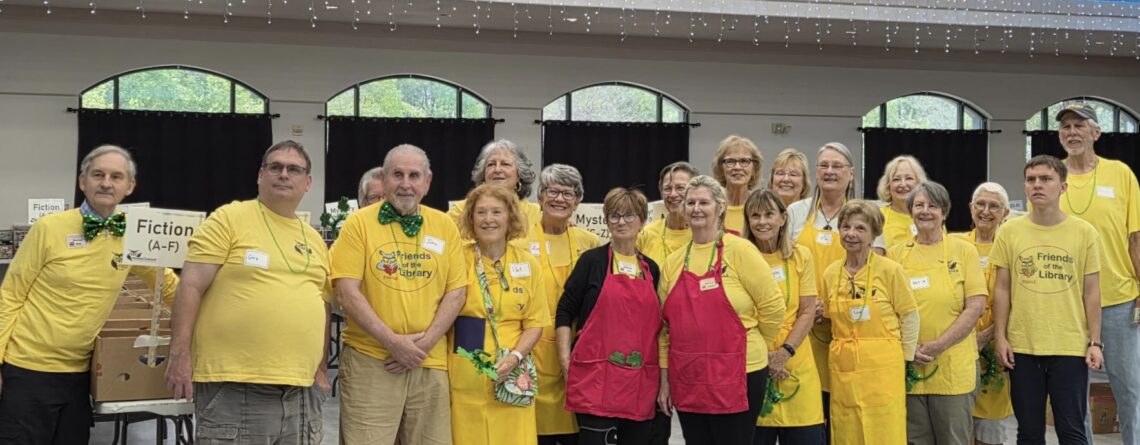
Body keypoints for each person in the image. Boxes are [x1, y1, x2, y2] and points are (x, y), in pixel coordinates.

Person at [0, 145, 176, 444]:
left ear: (129, 186)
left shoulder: (133, 235)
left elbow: (167, 285)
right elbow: (11, 295)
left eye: (116, 176)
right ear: (83, 181)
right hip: (28, 369)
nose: (106, 183)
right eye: (98, 175)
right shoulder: (49, 228)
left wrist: (210, 317)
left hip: (80, 373)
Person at [166, 140, 332, 443]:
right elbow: (190, 285)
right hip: (235, 387)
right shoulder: (229, 218)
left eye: (294, 169)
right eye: (275, 167)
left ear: (308, 182)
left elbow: (321, 304)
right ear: (260, 175)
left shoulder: (314, 239)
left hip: (301, 391)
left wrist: (321, 369)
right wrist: (179, 354)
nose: (284, 174)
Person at [331, 144, 467, 445]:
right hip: (371, 360)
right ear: (384, 178)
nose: (406, 184)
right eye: (397, 174)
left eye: (414, 175)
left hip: (429, 362)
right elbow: (346, 291)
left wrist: (423, 345)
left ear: (427, 182)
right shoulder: (358, 223)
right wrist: (393, 342)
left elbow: (457, 292)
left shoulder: (445, 225)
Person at [657, 175, 785, 444]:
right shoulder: (674, 262)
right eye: (691, 202)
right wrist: (665, 378)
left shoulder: (741, 250)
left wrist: (752, 341)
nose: (696, 208)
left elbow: (773, 306)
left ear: (720, 207)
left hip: (740, 371)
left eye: (704, 202)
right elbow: (665, 328)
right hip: (689, 375)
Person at [992, 155, 1104, 445]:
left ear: (1063, 187)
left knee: (1072, 431)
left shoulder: (1085, 232)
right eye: (1031, 180)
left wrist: (1095, 342)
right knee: (1029, 433)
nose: (1037, 185)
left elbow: (1092, 291)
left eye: (1046, 179)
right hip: (1022, 346)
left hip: (1069, 346)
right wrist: (1000, 337)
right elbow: (1002, 288)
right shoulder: (1009, 231)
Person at [1054, 102, 1140, 445]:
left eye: (1080, 125)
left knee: (1129, 388)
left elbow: (1135, 238)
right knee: (1074, 392)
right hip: (1067, 302)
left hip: (1118, 299)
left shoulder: (1120, 173)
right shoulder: (1052, 175)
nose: (1072, 132)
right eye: (1066, 127)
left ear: (1096, 132)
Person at [786, 142, 885, 438]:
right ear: (815, 172)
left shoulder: (866, 212)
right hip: (802, 327)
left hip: (848, 325)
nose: (830, 171)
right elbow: (785, 262)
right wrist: (807, 307)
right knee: (808, 412)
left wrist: (830, 306)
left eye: (837, 166)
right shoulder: (796, 212)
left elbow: (873, 268)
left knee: (844, 412)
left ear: (851, 173)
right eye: (824, 165)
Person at [557, 187, 664, 445]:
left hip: (638, 381)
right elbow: (565, 310)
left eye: (629, 215)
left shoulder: (652, 269)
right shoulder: (591, 261)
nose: (621, 222)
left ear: (642, 221)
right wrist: (565, 361)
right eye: (614, 216)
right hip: (595, 379)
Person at [449, 184, 549, 445]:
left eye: (496, 212)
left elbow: (535, 323)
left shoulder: (528, 263)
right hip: (466, 375)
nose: (488, 219)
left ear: (510, 217)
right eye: (481, 212)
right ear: (471, 218)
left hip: (511, 377)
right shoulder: (456, 259)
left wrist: (515, 357)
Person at [887, 181, 985, 445]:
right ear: (910, 211)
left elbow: (975, 306)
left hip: (953, 369)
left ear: (945, 212)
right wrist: (908, 348)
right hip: (910, 366)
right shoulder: (895, 255)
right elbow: (887, 310)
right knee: (914, 440)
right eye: (919, 205)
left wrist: (939, 344)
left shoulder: (964, 250)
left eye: (932, 206)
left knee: (954, 439)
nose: (925, 211)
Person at [822, 200, 919, 445]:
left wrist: (906, 359)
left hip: (883, 368)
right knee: (846, 429)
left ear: (874, 235)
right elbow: (828, 316)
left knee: (884, 431)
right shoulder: (831, 273)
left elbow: (909, 315)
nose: (851, 234)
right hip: (844, 367)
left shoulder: (890, 270)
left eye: (860, 228)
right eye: (846, 227)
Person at [526, 164, 601, 445]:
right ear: (540, 196)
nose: (560, 199)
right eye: (553, 191)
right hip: (532, 350)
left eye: (568, 193)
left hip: (576, 350)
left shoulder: (590, 242)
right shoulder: (519, 240)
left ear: (578, 201)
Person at [743, 189, 825, 445]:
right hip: (755, 363)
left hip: (796, 358)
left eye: (769, 214)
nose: (762, 222)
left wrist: (784, 353)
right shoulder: (739, 258)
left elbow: (808, 310)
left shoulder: (801, 255)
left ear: (782, 218)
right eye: (755, 215)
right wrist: (765, 359)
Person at [949, 182, 1014, 445]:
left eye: (994, 206)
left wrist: (988, 335)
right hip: (955, 349)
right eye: (981, 204)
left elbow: (1018, 300)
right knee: (956, 430)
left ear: (1005, 213)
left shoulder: (1011, 248)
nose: (986, 211)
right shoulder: (953, 244)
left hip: (994, 350)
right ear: (970, 208)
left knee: (989, 431)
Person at [449, 139, 542, 232]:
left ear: (519, 175)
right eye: (491, 164)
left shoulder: (536, 213)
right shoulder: (460, 211)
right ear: (483, 174)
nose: (497, 170)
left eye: (505, 164)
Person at [637, 162, 698, 269]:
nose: (673, 194)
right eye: (667, 189)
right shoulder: (646, 234)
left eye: (680, 188)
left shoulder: (704, 234)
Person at [711, 135, 764, 237]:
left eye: (744, 161)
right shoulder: (712, 206)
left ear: (754, 168)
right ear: (721, 168)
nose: (737, 167)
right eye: (730, 161)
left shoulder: (762, 206)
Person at [876, 155, 929, 248]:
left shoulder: (931, 215)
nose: (903, 184)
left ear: (919, 184)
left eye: (909, 178)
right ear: (888, 186)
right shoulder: (877, 216)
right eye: (896, 179)